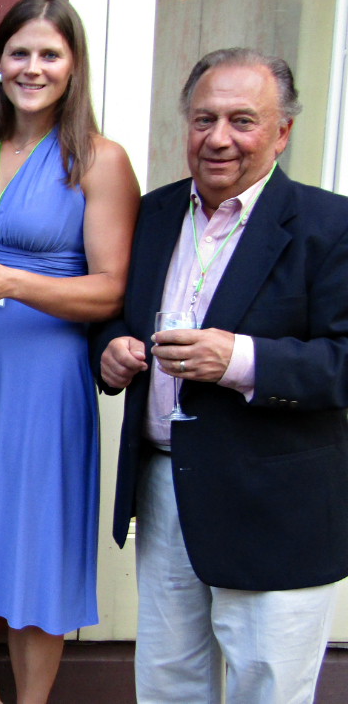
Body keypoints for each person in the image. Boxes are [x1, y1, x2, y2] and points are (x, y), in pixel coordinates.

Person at [95, 48, 348, 704]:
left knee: (267, 687)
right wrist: (111, 350)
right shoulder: (153, 214)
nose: (219, 138)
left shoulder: (330, 226)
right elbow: (115, 314)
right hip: (165, 486)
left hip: (275, 505)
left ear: (283, 131)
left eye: (243, 120)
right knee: (169, 683)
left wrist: (238, 360)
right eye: (204, 119)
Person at [0, 0, 140, 704]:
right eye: (20, 52)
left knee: (35, 550)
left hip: (45, 383)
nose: (33, 67)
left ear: (74, 65)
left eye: (50, 54)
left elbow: (110, 291)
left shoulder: (99, 161)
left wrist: (12, 281)